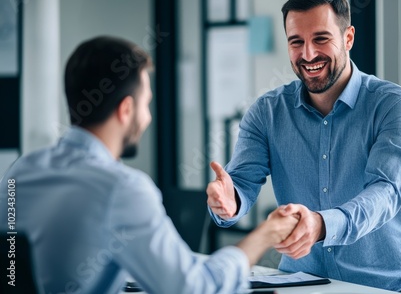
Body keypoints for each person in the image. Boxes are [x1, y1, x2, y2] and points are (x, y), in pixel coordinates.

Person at [0, 36, 298, 294]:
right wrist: (265, 235)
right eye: (146, 104)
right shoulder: (122, 189)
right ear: (126, 109)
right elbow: (195, 288)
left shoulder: (21, 172)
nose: (148, 118)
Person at [207, 0, 401, 293]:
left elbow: (386, 190)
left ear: (348, 38)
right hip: (301, 284)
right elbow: (240, 183)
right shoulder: (266, 112)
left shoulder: (393, 105)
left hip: (382, 286)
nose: (308, 54)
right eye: (296, 42)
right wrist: (231, 202)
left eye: (321, 39)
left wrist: (322, 224)